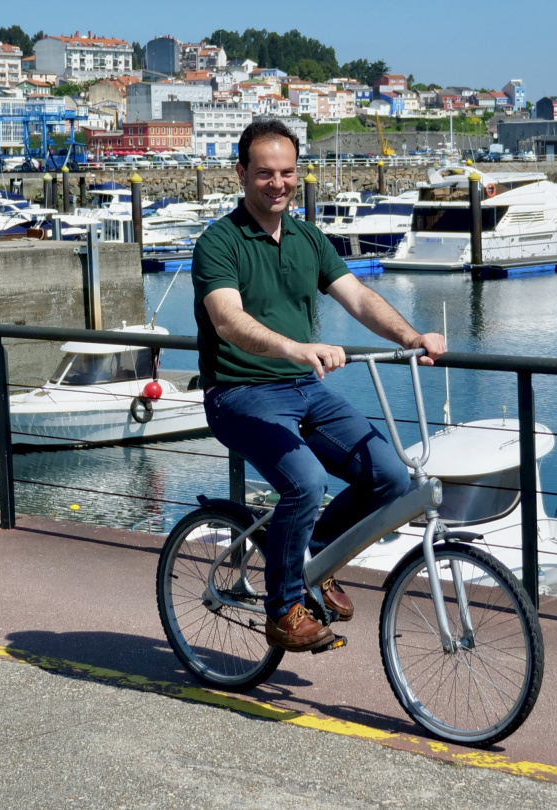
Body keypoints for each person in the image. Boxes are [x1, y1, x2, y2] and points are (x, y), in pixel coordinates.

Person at [192, 119, 446, 653]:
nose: (278, 183)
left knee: (391, 476)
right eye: (264, 173)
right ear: (242, 173)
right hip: (239, 393)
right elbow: (227, 320)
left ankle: (317, 558)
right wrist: (295, 348)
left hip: (303, 389)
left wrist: (411, 335)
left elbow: (357, 297)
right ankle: (283, 608)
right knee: (305, 481)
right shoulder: (219, 242)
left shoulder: (309, 237)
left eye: (287, 172)